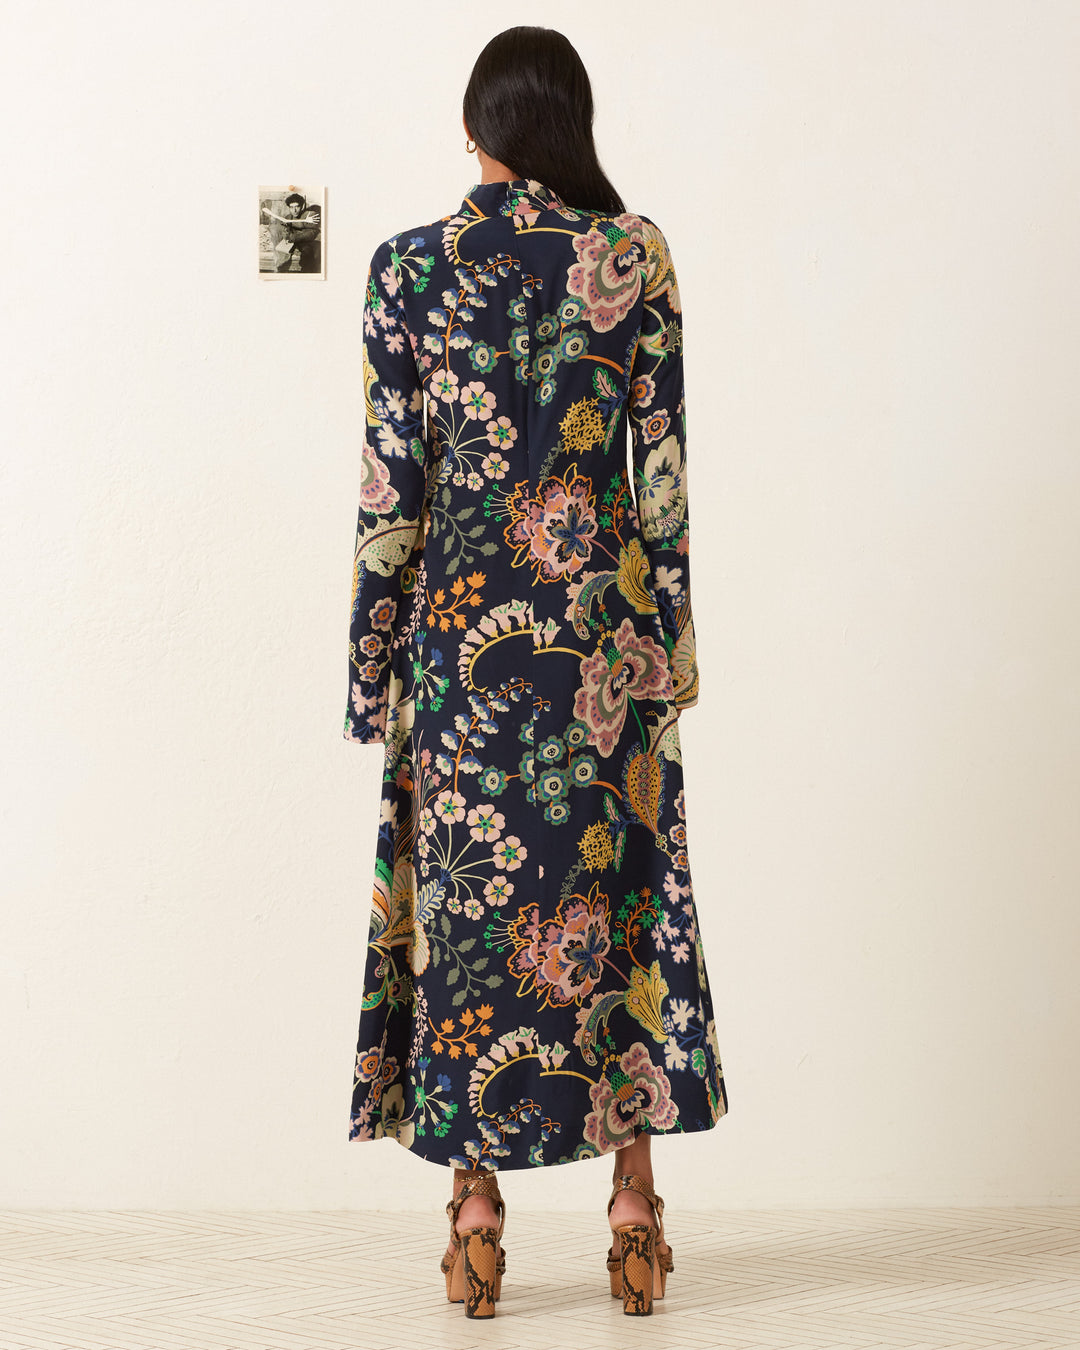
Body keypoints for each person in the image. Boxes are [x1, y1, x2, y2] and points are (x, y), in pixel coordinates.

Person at [343, 24, 729, 1319]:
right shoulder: (635, 258)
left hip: (461, 652)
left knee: (469, 924)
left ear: (474, 129)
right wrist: (667, 651)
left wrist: (369, 666)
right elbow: (659, 479)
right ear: (570, 126)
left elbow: (392, 494)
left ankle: (475, 1215)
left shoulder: (407, 270)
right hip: (602, 650)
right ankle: (632, 1203)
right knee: (613, 906)